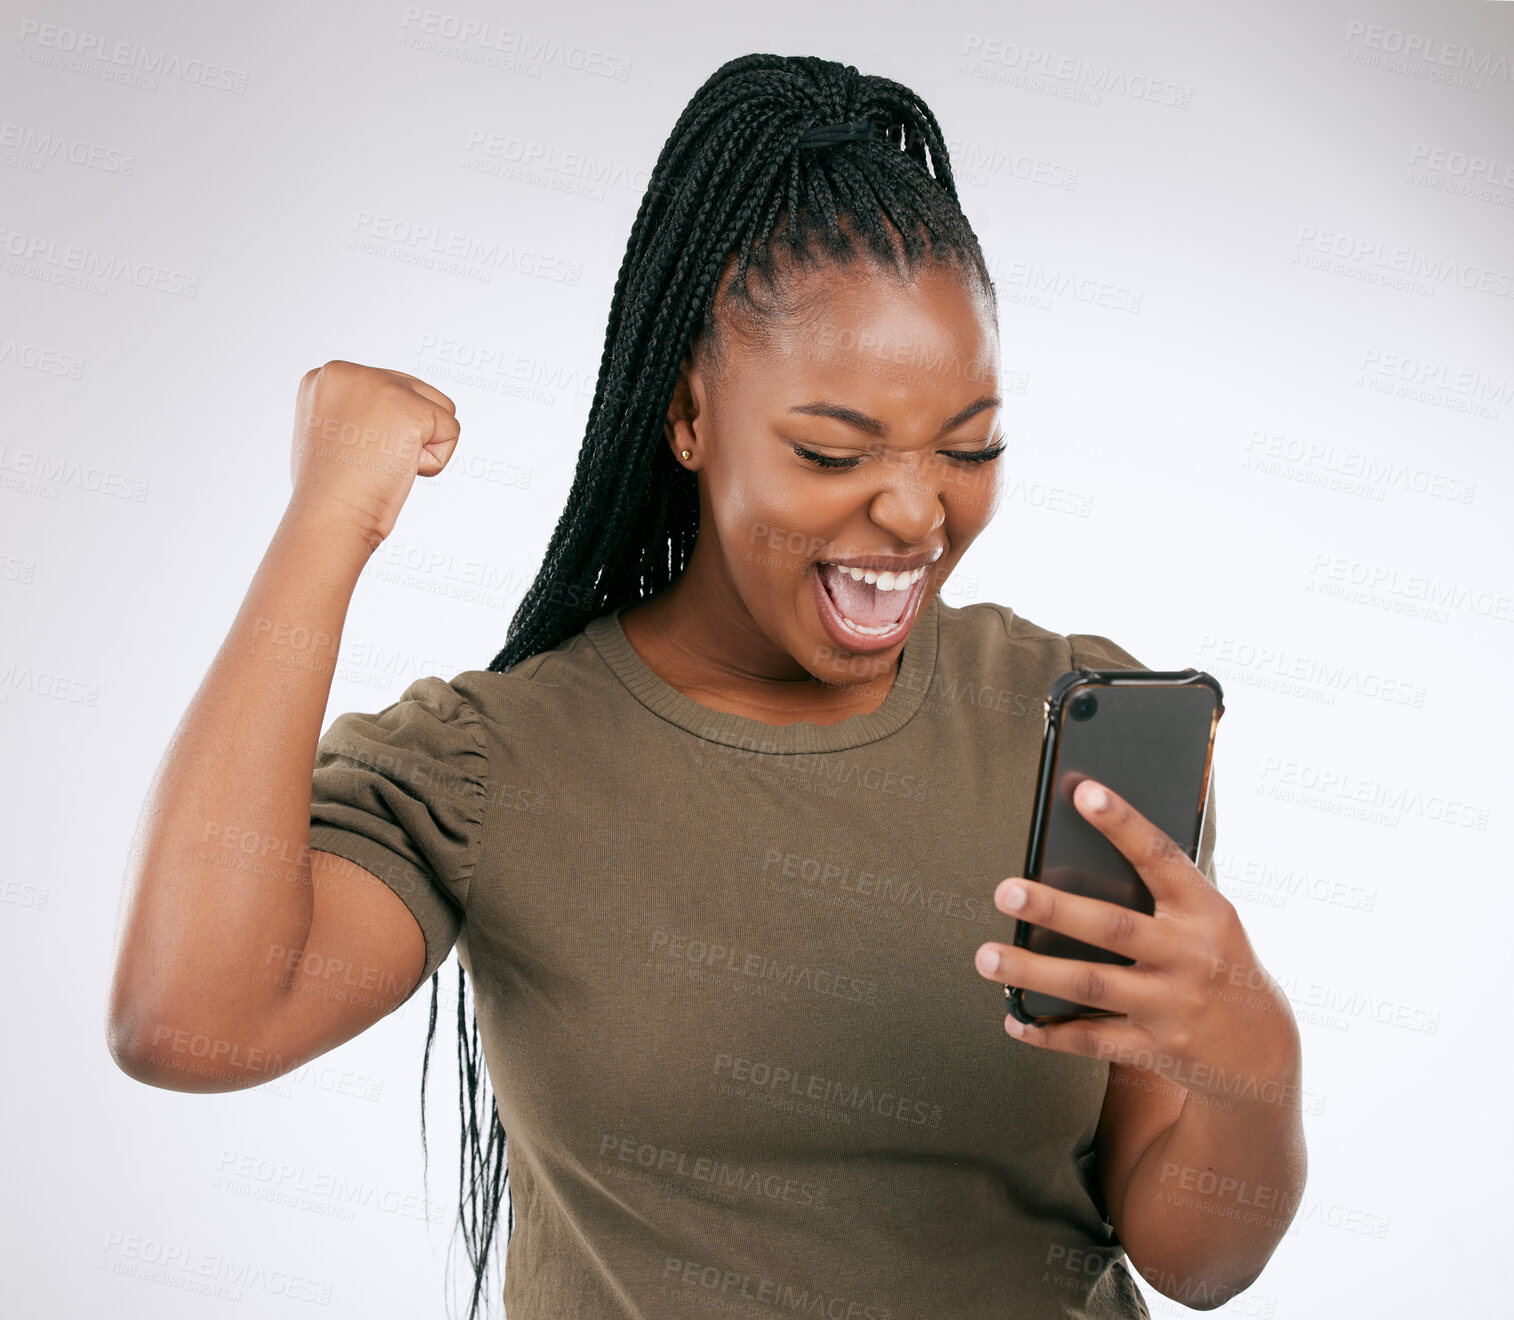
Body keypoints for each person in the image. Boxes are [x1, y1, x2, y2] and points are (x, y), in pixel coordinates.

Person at [106, 52, 1306, 1320]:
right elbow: (187, 1018)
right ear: (688, 416)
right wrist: (326, 519)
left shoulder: (1074, 734)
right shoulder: (494, 764)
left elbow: (1196, 1261)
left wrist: (1253, 1062)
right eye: (831, 451)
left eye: (969, 447)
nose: (914, 512)